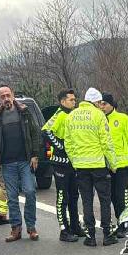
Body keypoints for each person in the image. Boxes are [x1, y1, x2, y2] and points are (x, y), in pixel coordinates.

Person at [0, 85, 42, 242]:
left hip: (25, 161)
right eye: (2, 96)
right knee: (11, 197)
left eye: (8, 95)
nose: (6, 98)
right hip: (7, 164)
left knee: (30, 192)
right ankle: (16, 229)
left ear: (13, 95)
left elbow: (35, 133)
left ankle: (31, 227)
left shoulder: (24, 112)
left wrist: (35, 155)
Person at [65, 87, 118, 247]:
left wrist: (75, 162)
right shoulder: (99, 115)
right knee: (104, 200)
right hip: (98, 165)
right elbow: (106, 142)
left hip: (81, 167)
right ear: (95, 101)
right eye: (99, 102)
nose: (101, 105)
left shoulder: (71, 116)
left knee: (87, 201)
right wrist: (113, 164)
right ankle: (107, 235)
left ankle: (90, 236)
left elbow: (68, 143)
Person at [42, 89, 85, 242]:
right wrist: (60, 146)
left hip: (73, 162)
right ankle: (64, 230)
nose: (74, 102)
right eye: (71, 100)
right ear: (62, 101)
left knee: (74, 195)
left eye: (74, 99)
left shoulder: (72, 115)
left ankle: (75, 226)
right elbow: (45, 131)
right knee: (62, 197)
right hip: (60, 164)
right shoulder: (60, 114)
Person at [99, 93, 128, 236]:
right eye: (100, 104)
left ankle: (124, 224)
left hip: (122, 166)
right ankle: (118, 223)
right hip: (105, 166)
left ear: (111, 104)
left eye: (104, 104)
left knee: (121, 197)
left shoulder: (123, 119)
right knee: (110, 197)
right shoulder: (99, 119)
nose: (102, 106)